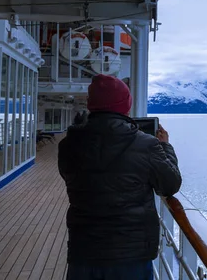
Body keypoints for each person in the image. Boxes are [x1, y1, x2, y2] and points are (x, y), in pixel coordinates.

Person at [58, 74, 181, 280]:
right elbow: (170, 185)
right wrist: (165, 146)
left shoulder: (69, 144)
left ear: (91, 105)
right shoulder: (145, 145)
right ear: (126, 105)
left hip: (84, 251)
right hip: (130, 255)